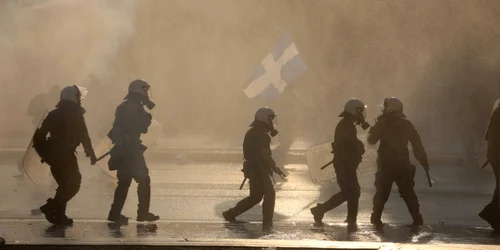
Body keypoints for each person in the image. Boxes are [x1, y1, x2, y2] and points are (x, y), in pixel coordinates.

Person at [34, 85, 97, 226]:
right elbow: (84, 136)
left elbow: (39, 137)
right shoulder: (76, 115)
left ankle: (59, 216)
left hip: (55, 155)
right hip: (66, 155)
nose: (80, 100)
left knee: (64, 184)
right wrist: (91, 153)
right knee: (73, 184)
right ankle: (51, 207)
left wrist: (46, 154)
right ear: (73, 98)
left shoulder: (53, 114)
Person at [367, 97, 429, 226]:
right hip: (402, 164)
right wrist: (423, 161)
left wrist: (374, 129)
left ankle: (376, 217)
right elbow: (417, 144)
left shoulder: (382, 123)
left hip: (386, 164)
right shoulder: (406, 124)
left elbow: (371, 141)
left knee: (382, 192)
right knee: (408, 193)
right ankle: (417, 218)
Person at [310, 98, 370, 231]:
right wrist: (358, 146)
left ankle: (322, 210)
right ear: (353, 111)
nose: (361, 114)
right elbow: (348, 143)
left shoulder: (348, 124)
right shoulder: (346, 125)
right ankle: (324, 211)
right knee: (352, 191)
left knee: (350, 191)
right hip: (344, 164)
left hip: (347, 163)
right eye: (359, 111)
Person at [222, 107, 286, 230]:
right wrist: (274, 167)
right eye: (270, 119)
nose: (272, 122)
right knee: (270, 194)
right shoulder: (261, 134)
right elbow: (265, 154)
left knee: (256, 197)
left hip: (253, 167)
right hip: (260, 168)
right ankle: (267, 223)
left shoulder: (254, 132)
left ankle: (231, 213)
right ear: (263, 118)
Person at [106, 79, 159, 224]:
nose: (146, 94)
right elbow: (142, 127)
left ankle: (114, 213)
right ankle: (142, 213)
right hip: (130, 149)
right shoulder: (133, 107)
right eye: (144, 90)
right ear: (139, 91)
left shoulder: (127, 106)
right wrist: (147, 117)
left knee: (124, 182)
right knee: (143, 180)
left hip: (124, 148)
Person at [479, 100, 500, 230]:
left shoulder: (497, 110)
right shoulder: (499, 112)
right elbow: (495, 138)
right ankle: (492, 214)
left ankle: (493, 215)